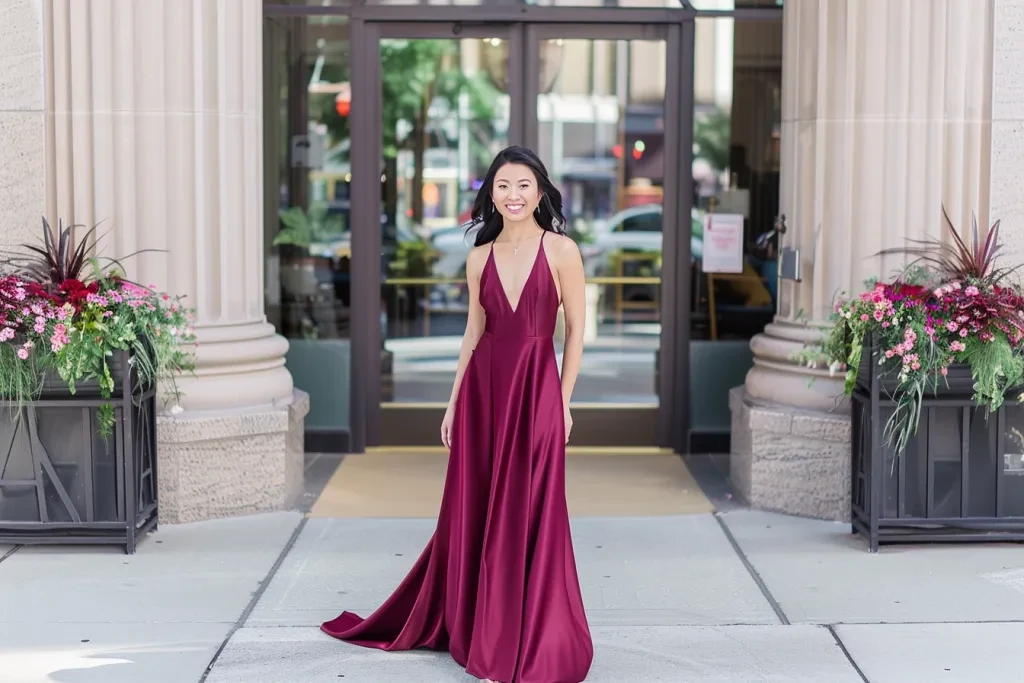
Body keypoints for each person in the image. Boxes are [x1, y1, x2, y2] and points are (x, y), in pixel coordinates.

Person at [321, 145, 594, 683]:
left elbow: (576, 333)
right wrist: (452, 402)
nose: (513, 196)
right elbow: (473, 333)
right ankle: (485, 633)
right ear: (490, 193)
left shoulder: (562, 251)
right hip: (482, 395)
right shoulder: (478, 257)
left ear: (540, 192)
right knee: (477, 510)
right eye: (503, 186)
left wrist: (562, 403)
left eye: (523, 185)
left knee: (530, 510)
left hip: (536, 391)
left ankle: (531, 639)